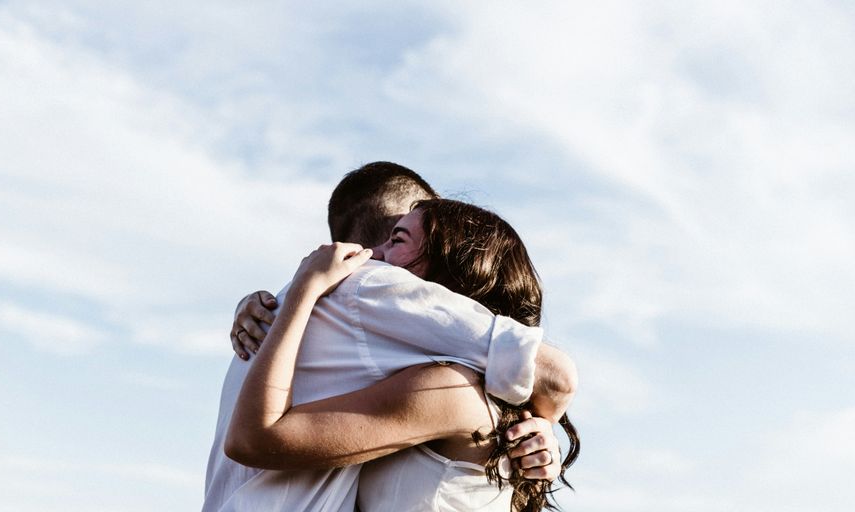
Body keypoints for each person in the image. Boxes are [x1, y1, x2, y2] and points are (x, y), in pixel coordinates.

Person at [202, 163, 576, 512]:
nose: (372, 258)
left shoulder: (451, 387)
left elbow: (554, 377)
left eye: (397, 241)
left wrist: (539, 425)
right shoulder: (370, 295)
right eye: (396, 234)